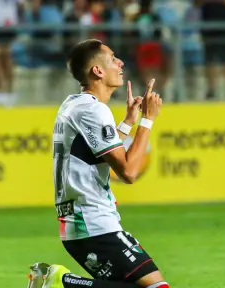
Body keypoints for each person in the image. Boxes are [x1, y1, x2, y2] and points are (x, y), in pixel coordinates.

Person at [38, 39, 166, 288]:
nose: (121, 63)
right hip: (95, 223)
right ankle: (62, 283)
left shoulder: (73, 104)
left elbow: (97, 152)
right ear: (97, 71)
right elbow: (129, 172)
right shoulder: (93, 111)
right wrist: (147, 120)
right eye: (113, 59)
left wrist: (128, 121)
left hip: (78, 226)